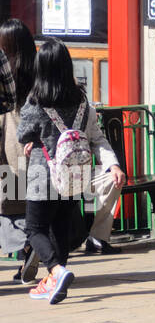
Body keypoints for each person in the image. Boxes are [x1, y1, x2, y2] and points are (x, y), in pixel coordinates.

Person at [18, 39, 124, 304]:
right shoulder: (81, 101)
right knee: (60, 228)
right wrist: (113, 164)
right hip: (74, 175)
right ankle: (55, 281)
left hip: (44, 174)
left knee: (35, 228)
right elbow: (96, 136)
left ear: (41, 68)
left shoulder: (35, 102)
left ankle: (56, 270)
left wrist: (35, 140)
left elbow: (23, 134)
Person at [0, 20, 36, 281]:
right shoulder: (39, 69)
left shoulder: (5, 68)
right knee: (33, 203)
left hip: (8, 142)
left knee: (9, 205)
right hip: (35, 146)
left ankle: (25, 250)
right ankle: (33, 247)